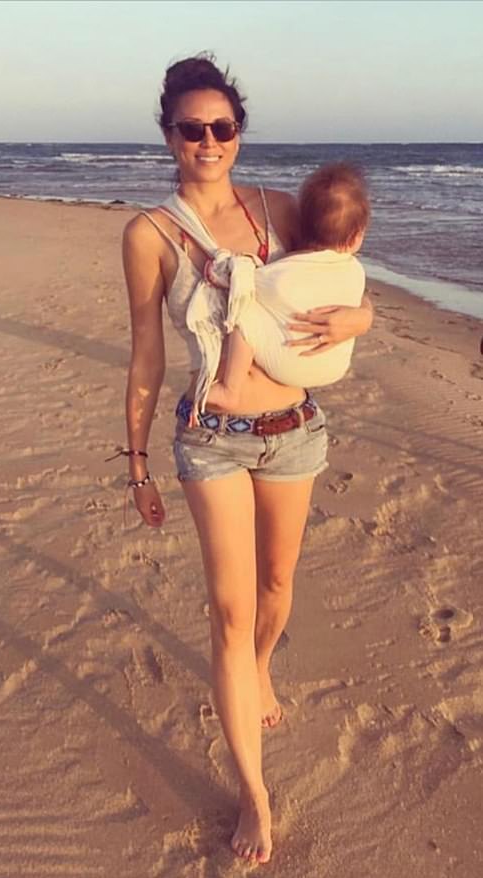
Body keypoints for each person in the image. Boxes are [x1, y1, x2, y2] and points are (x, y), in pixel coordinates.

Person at [121, 53, 373, 866]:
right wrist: (136, 462)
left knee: (276, 587)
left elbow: (339, 278)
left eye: (222, 127)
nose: (208, 140)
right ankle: (254, 796)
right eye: (192, 128)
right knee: (229, 614)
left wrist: (361, 319)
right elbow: (147, 356)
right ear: (169, 136)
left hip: (294, 427)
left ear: (239, 134)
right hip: (212, 439)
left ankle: (264, 668)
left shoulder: (275, 209)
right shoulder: (149, 234)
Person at [203, 162, 369, 415]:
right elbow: (360, 301)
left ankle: (230, 388)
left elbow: (243, 282)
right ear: (358, 235)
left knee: (245, 311)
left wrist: (225, 272)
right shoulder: (356, 272)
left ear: (300, 225)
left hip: (288, 365)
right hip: (334, 367)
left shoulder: (279, 275)